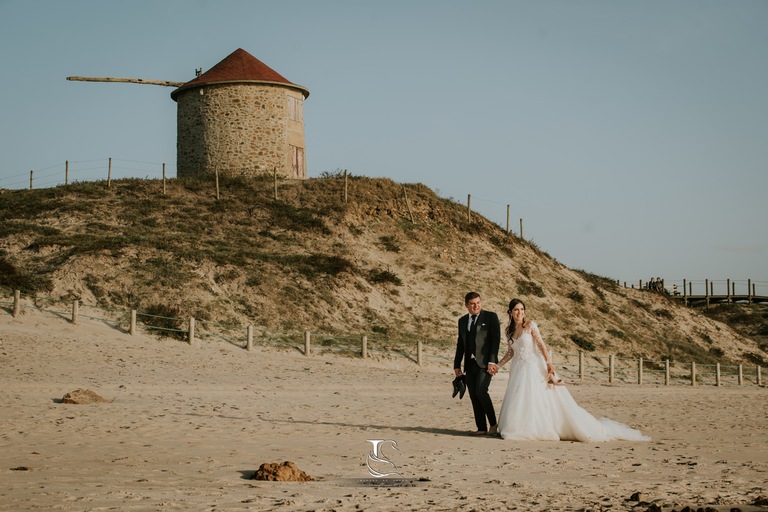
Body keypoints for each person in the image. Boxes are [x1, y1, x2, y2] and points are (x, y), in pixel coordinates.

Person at [493, 298, 650, 442]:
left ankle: (541, 427)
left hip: (534, 367)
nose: (520, 312)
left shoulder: (530, 326)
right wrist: (498, 365)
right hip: (519, 369)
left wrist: (549, 363)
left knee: (540, 399)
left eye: (522, 309)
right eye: (516, 310)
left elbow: (541, 345)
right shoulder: (509, 330)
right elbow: (511, 352)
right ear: (510, 312)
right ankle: (520, 426)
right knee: (520, 399)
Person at [453, 292, 501, 436]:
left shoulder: (491, 317)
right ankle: (481, 428)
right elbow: (460, 344)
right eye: (473, 303)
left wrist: (492, 361)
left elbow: (495, 340)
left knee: (481, 390)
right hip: (469, 363)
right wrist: (457, 365)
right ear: (466, 305)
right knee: (473, 394)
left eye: (478, 302)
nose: (476, 306)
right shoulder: (462, 321)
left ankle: (493, 424)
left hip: (486, 363)